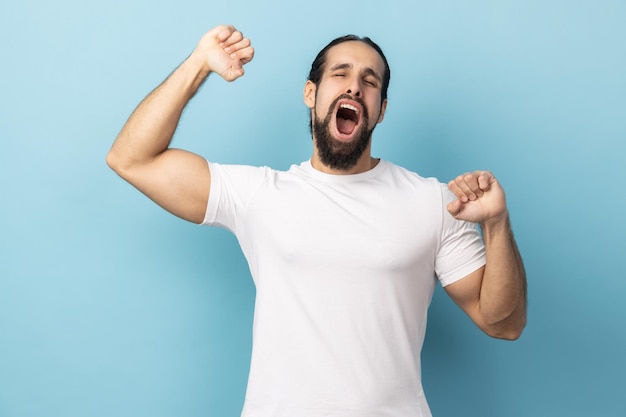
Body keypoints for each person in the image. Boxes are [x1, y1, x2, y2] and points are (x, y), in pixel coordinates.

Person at [107, 25, 527, 417]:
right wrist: (198, 63)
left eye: (370, 81)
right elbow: (131, 158)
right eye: (340, 74)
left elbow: (503, 323)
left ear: (381, 110)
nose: (354, 86)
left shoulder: (433, 203)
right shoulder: (259, 195)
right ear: (311, 93)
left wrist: (495, 224)